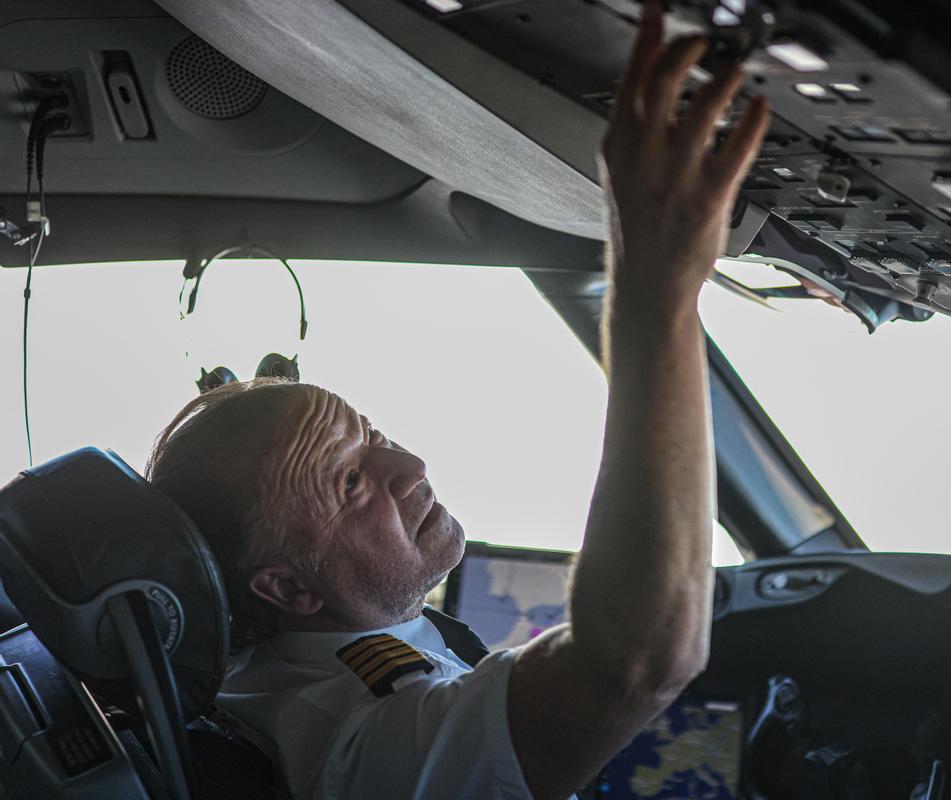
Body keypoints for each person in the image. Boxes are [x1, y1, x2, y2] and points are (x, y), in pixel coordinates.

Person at [144, 5, 771, 798]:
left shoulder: (338, 654)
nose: (408, 464)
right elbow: (640, 659)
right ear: (289, 590)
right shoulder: (349, 741)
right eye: (349, 482)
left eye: (371, 436)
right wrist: (657, 286)